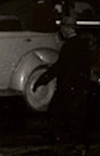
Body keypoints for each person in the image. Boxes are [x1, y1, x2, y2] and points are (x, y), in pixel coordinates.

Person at [33, 17, 99, 147]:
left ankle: (66, 141)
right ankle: (76, 142)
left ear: (68, 29)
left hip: (68, 86)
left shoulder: (69, 46)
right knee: (75, 115)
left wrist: (43, 79)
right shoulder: (82, 44)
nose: (61, 31)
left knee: (58, 113)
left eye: (63, 28)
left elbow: (60, 66)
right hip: (80, 85)